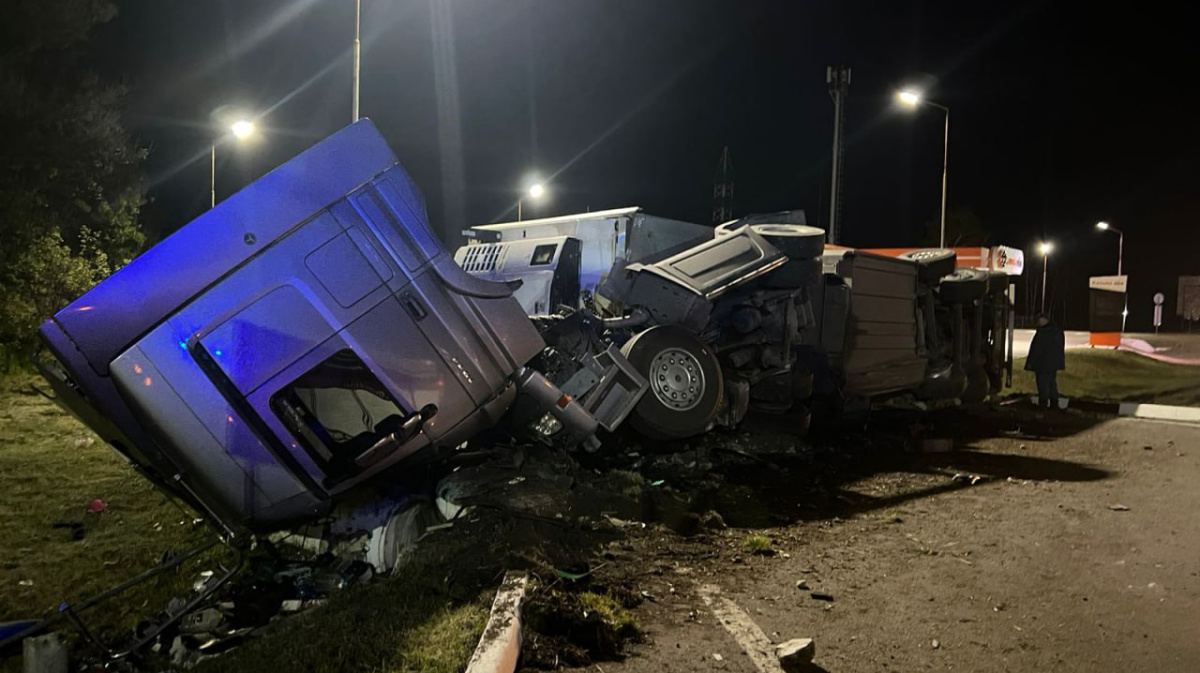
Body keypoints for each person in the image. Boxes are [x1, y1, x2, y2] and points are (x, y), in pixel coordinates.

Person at [1025, 312, 1065, 409]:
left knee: (1043, 384)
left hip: (1043, 364)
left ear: (1045, 320)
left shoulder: (1044, 333)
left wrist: (1031, 363)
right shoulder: (1055, 331)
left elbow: (1037, 349)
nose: (1038, 322)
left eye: (1039, 320)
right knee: (1051, 383)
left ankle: (1043, 404)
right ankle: (1054, 403)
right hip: (1051, 363)